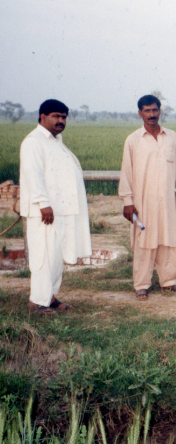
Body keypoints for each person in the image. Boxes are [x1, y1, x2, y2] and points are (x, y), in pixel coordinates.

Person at [19, 99, 91, 315]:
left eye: (64, 117)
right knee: (43, 256)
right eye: (56, 116)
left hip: (61, 210)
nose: (61, 121)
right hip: (45, 212)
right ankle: (37, 302)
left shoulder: (56, 141)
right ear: (42, 117)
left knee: (56, 257)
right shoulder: (33, 141)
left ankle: (49, 297)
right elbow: (33, 174)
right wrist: (43, 204)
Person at [119, 95, 176, 300]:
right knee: (144, 241)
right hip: (142, 201)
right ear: (140, 113)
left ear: (160, 111)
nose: (151, 114)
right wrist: (127, 202)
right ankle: (141, 285)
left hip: (167, 200)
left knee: (168, 239)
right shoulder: (133, 140)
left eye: (155, 110)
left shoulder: (172, 137)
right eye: (147, 111)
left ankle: (169, 282)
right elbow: (126, 172)